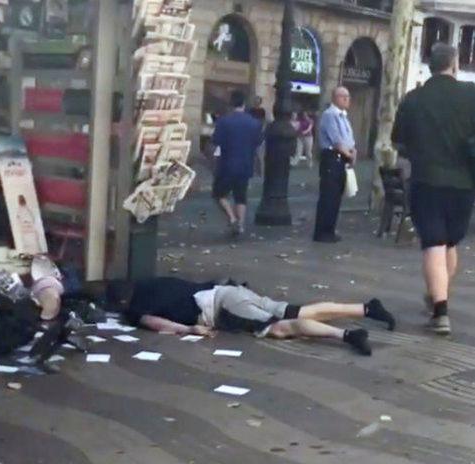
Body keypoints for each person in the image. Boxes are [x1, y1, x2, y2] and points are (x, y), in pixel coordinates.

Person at [392, 43, 475, 336]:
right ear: (454, 65)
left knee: (434, 244)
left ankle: (440, 310)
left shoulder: (413, 99)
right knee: (450, 243)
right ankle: (439, 296)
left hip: (427, 181)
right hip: (464, 185)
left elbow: (398, 142)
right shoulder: (471, 95)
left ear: (430, 65)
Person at [109, 277, 395, 357]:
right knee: (297, 311)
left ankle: (347, 335)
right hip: (228, 291)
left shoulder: (135, 309)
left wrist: (189, 329)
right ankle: (366, 309)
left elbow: (157, 324)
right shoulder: (150, 283)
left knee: (282, 329)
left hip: (224, 307)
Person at [212, 90, 263, 237]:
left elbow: (216, 141)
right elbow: (258, 142)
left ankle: (232, 218)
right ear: (244, 104)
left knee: (219, 194)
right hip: (246, 163)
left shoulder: (224, 121)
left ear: (231, 104)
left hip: (227, 164)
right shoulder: (254, 123)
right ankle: (240, 225)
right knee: (241, 196)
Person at [313, 87, 357, 243]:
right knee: (328, 196)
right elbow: (337, 141)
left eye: (348, 96)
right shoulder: (330, 115)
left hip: (343, 159)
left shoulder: (343, 116)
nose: (346, 99)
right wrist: (349, 154)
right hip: (332, 157)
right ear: (335, 98)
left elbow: (349, 138)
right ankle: (322, 232)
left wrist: (352, 151)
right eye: (343, 96)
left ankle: (330, 229)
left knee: (336, 196)